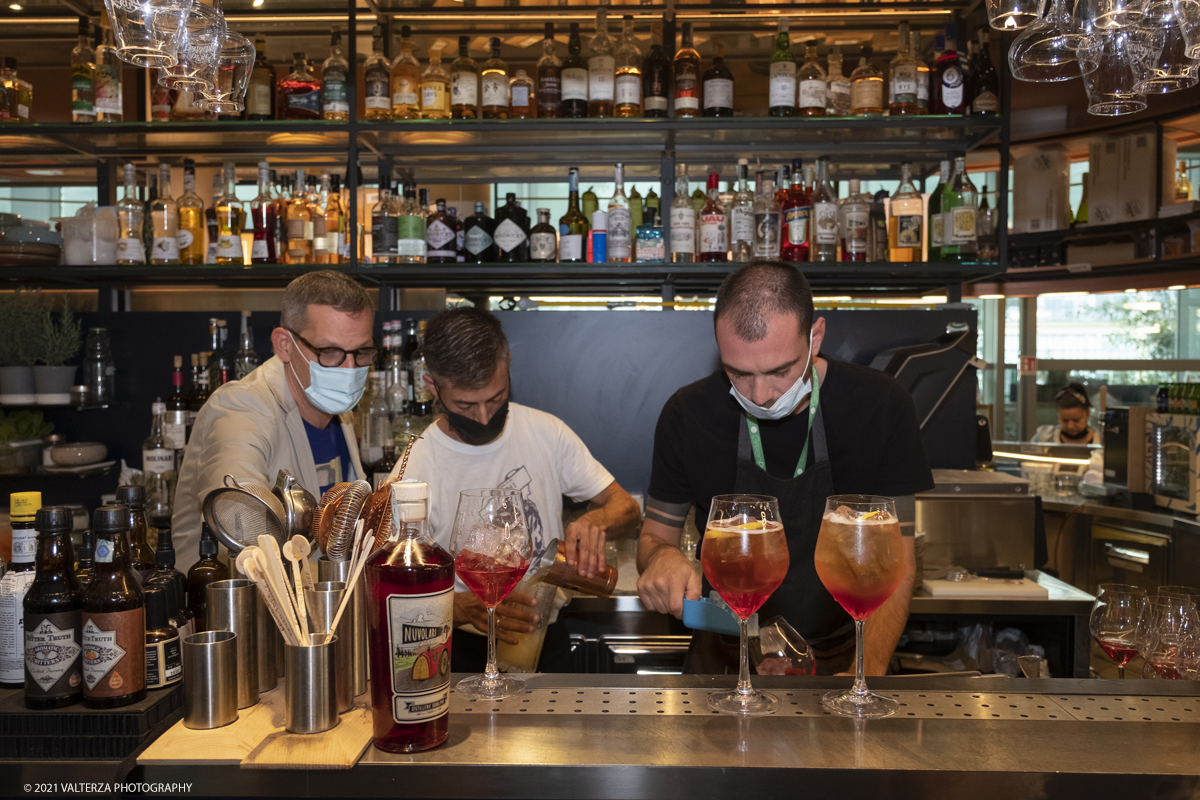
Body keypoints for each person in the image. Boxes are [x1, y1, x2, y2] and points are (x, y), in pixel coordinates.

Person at [636, 262, 934, 675]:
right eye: (738, 373)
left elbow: (897, 564)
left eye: (780, 371)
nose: (760, 395)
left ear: (815, 337)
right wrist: (662, 557)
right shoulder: (687, 414)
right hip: (723, 658)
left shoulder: (881, 406)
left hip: (841, 657)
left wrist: (864, 674)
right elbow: (652, 538)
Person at [390, 307, 641, 672]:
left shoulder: (546, 432)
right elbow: (392, 588)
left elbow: (626, 507)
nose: (483, 417)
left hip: (546, 638)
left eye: (495, 398)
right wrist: (459, 608)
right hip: (458, 650)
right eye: (465, 404)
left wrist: (597, 522)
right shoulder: (414, 470)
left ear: (507, 368)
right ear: (432, 386)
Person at [173, 270, 375, 570]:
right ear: (284, 344)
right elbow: (239, 518)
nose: (349, 368)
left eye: (362, 352)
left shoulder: (335, 408)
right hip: (230, 609)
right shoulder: (241, 407)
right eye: (330, 352)